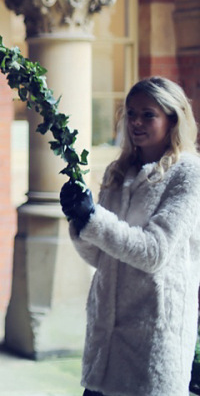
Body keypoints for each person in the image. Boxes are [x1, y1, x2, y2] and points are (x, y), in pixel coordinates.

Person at [60, 76, 200, 396]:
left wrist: (93, 217)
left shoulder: (189, 174)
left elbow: (154, 252)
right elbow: (99, 256)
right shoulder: (118, 171)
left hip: (151, 339)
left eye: (148, 114)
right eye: (130, 113)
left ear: (172, 118)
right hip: (105, 340)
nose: (136, 122)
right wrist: (79, 220)